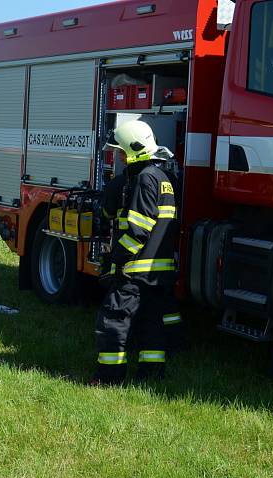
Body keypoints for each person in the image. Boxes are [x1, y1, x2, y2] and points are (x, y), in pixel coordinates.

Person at [91, 120, 180, 385]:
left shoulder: (144, 179)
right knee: (151, 323)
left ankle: (109, 377)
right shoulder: (164, 178)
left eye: (120, 151)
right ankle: (151, 376)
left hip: (136, 269)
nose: (117, 156)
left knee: (113, 320)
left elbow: (139, 229)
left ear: (133, 150)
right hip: (157, 271)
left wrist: (116, 259)